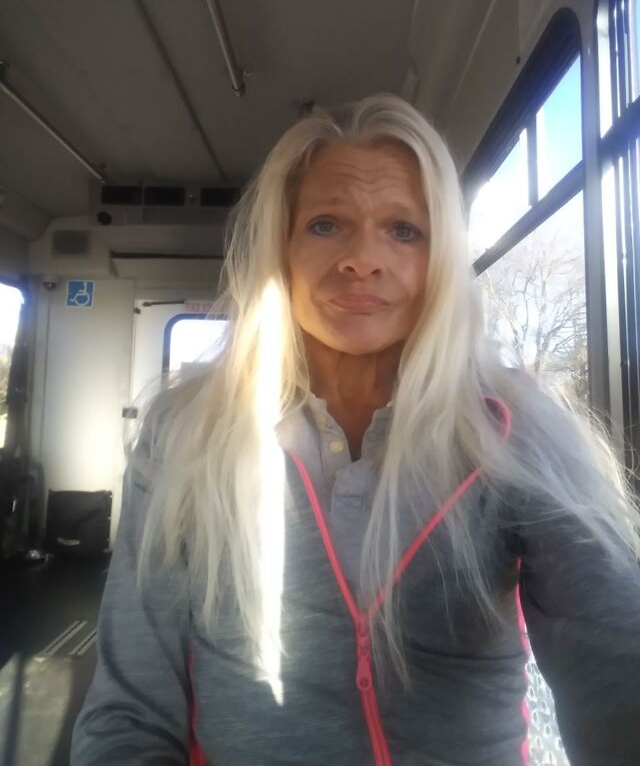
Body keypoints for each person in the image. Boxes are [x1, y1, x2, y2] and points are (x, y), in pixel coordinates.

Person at [71, 95, 640, 765]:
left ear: (441, 259)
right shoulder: (185, 429)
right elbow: (130, 709)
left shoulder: (513, 426)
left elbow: (615, 649)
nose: (363, 259)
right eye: (325, 225)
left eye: (403, 230)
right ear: (280, 248)